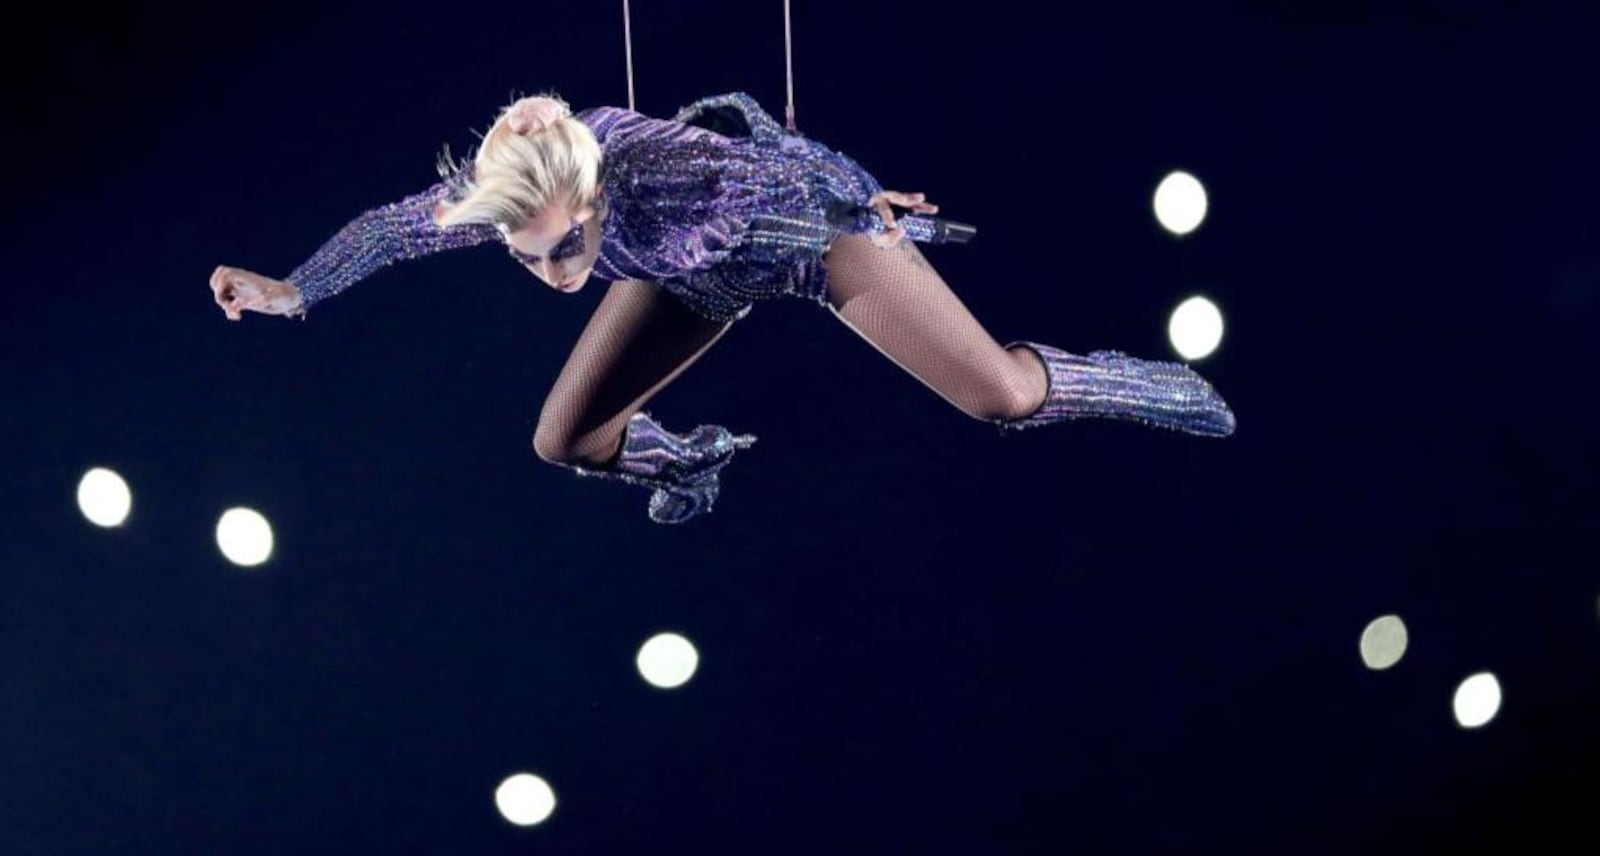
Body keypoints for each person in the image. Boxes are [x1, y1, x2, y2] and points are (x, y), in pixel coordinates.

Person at [210, 90, 1235, 524]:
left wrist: (859, 196)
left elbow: (778, 156)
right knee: (564, 437)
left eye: (571, 245)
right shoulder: (512, 198)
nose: (561, 273)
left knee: (1000, 399)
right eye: (533, 261)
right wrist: (293, 288)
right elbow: (391, 230)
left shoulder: (656, 163)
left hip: (805, 238)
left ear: (601, 192)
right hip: (696, 276)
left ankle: (1147, 381)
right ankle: (695, 456)